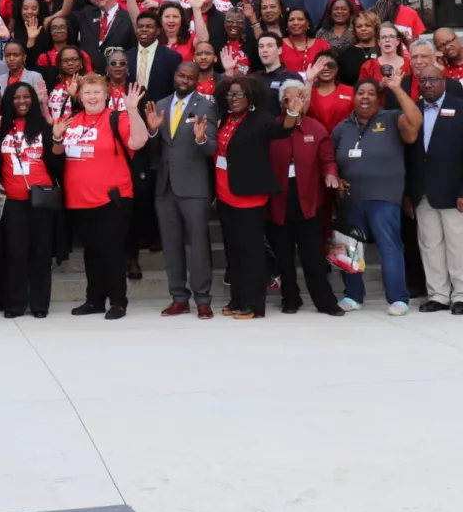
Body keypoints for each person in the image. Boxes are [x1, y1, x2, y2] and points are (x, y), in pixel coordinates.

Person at [213, 74, 305, 319]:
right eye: (230, 94)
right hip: (224, 196)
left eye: (238, 94)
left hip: (249, 197)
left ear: (250, 96)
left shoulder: (261, 119)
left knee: (250, 253)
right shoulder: (226, 120)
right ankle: (238, 299)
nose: (233, 99)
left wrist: (293, 113)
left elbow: (282, 130)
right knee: (234, 254)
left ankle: (254, 305)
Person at [56, 74, 147, 320]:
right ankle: (94, 300)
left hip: (112, 199)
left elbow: (138, 142)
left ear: (106, 95)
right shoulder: (70, 119)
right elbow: (55, 149)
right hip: (78, 200)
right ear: (79, 96)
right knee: (91, 251)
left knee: (112, 250)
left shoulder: (117, 118)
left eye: (97, 92)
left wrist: (133, 110)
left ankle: (118, 301)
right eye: (87, 92)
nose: (92, 97)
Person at [331, 79, 422, 315]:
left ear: (378, 98)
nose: (365, 97)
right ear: (353, 97)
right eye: (360, 92)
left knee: (389, 247)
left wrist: (395, 88)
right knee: (350, 249)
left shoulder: (392, 119)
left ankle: (398, 298)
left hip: (384, 197)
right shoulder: (342, 128)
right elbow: (330, 162)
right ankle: (353, 296)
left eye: (371, 93)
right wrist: (336, 179)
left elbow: (415, 122)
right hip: (351, 199)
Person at [407, 72, 463, 315]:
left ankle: (462, 295)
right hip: (423, 192)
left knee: (460, 246)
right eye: (424, 81)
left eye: (433, 80)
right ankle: (438, 295)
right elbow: (409, 156)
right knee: (430, 246)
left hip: (457, 193)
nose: (428, 85)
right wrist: (409, 193)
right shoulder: (413, 110)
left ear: (444, 83)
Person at [264, 80, 344, 315]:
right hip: (278, 201)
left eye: (301, 97)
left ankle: (325, 301)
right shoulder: (272, 128)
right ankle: (290, 299)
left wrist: (331, 174)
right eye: (291, 98)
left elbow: (328, 160)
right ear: (283, 103)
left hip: (309, 202)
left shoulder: (316, 129)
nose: (298, 102)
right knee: (284, 256)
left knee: (313, 256)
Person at [147, 62, 218, 318]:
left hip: (194, 187)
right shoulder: (161, 104)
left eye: (190, 77)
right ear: (174, 76)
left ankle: (203, 299)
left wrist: (200, 138)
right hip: (164, 187)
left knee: (199, 246)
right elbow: (153, 151)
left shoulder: (206, 105)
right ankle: (178, 297)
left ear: (197, 79)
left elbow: (210, 148)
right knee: (171, 245)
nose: (185, 80)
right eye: (181, 75)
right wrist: (153, 131)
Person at [0, 80, 59, 318]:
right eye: (17, 98)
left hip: (41, 199)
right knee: (15, 252)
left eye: (26, 97)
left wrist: (57, 138)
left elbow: (55, 162)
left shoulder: (43, 127)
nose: (22, 101)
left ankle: (40, 305)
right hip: (12, 201)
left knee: (41, 253)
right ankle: (16, 304)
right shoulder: (1, 127)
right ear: (10, 101)